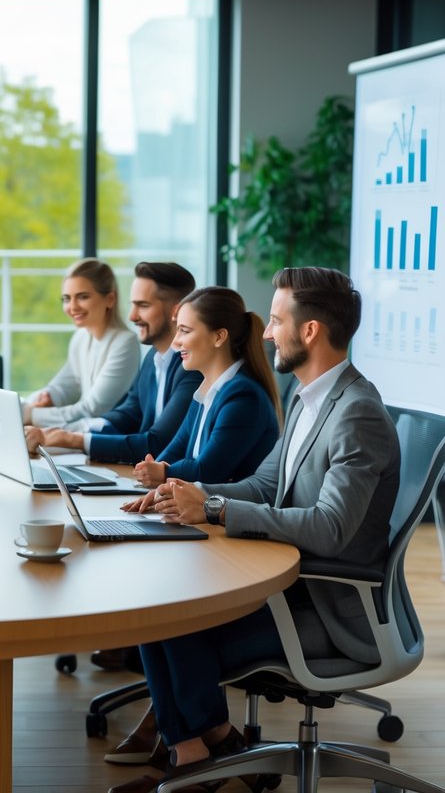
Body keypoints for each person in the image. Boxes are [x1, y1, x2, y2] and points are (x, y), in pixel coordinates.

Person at [108, 267, 399, 793]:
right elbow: (265, 484)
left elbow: (330, 527)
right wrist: (191, 495)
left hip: (327, 610)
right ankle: (198, 752)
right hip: (291, 590)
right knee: (156, 601)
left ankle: (200, 758)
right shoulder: (311, 399)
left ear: (309, 331)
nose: (266, 334)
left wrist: (216, 510)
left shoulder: (356, 414)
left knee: (172, 617)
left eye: (277, 321)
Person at [25, 261, 198, 464]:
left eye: (143, 305)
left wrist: (73, 439)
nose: (132, 316)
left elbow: (157, 443)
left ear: (176, 312)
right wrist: (61, 434)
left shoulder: (192, 368)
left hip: (172, 479)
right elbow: (127, 415)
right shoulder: (153, 358)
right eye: (133, 305)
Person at [124, 286, 281, 498]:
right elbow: (176, 449)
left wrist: (163, 473)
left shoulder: (244, 395)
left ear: (219, 337)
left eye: (185, 331)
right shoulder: (207, 389)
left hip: (228, 516)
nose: (175, 342)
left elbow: (208, 471)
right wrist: (155, 471)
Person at [26, 258, 140, 426]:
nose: (72, 307)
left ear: (110, 299)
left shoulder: (125, 343)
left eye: (83, 297)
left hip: (107, 435)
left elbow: (93, 409)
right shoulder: (81, 336)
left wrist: (31, 415)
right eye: (66, 299)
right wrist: (47, 396)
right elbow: (67, 384)